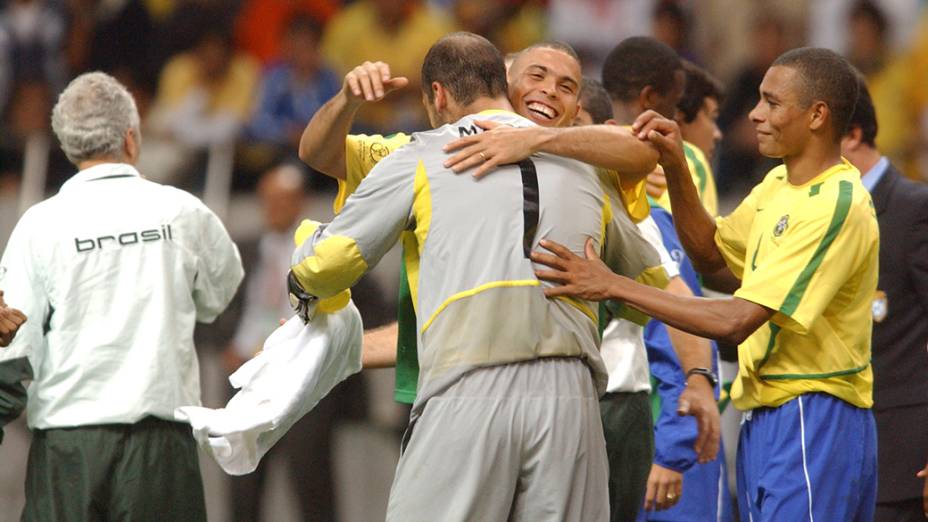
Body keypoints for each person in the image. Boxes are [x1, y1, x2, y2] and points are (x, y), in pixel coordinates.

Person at [290, 31, 665, 521]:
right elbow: (652, 282)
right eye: (538, 76)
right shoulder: (589, 171)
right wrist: (609, 287)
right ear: (505, 83)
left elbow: (327, 262)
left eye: (566, 86)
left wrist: (302, 283)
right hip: (571, 399)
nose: (550, 91)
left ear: (438, 96)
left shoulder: (423, 153)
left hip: (469, 383)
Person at [533, 47, 879, 521]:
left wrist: (613, 284)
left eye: (772, 103)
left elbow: (737, 320)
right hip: (770, 412)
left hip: (813, 412)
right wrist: (676, 165)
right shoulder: (779, 184)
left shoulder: (836, 203)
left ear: (818, 115)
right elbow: (712, 258)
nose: (754, 114)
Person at [0, 72, 243, 521]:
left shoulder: (38, 225)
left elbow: (13, 345)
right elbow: (219, 295)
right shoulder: (183, 211)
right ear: (131, 139)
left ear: (69, 146)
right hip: (161, 446)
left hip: (66, 449)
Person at [840, 78, 928, 522]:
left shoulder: (915, 209)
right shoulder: (824, 215)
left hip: (901, 463)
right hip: (836, 455)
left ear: (852, 135)